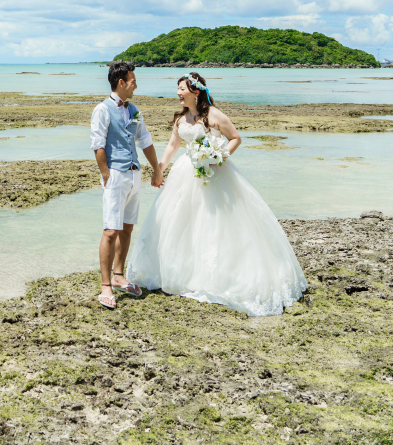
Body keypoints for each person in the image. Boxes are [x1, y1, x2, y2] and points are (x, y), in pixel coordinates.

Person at [128, 71, 307, 317]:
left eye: (182, 88)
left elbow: (235, 138)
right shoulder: (181, 118)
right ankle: (183, 272)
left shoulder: (213, 115)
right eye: (178, 88)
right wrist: (159, 169)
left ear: (196, 91)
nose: (178, 93)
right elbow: (173, 146)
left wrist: (218, 156)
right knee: (182, 222)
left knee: (216, 223)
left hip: (216, 174)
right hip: (185, 174)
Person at [91, 61, 164, 309]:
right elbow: (98, 144)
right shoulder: (102, 109)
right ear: (121, 83)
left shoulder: (134, 110)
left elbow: (145, 140)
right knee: (110, 231)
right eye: (133, 81)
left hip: (134, 175)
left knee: (127, 229)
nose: (136, 85)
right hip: (115, 175)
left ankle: (119, 275)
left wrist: (156, 169)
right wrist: (106, 174)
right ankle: (105, 286)